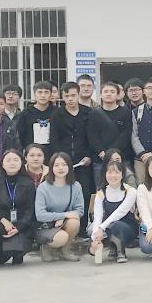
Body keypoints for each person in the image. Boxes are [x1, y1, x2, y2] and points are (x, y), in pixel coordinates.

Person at [49, 82, 98, 233]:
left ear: (78, 94)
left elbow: (92, 137)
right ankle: (63, 227)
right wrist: (60, 159)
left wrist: (89, 155)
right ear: (62, 97)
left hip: (83, 162)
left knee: (84, 193)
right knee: (64, 194)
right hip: (63, 163)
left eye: (73, 95)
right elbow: (54, 139)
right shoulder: (57, 114)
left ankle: (81, 228)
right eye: (67, 96)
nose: (70, 99)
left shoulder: (88, 113)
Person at [0, 149, 36, 271]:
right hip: (0, 221)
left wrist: (18, 227)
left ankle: (17, 253)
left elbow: (30, 210)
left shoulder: (28, 183)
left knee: (17, 247)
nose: (12, 163)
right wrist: (2, 220)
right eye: (8, 160)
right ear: (2, 164)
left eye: (15, 160)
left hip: (21, 223)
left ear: (22, 163)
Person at [34, 153, 85, 263]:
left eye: (64, 164)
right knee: (61, 237)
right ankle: (46, 247)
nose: (60, 168)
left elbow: (79, 210)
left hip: (63, 223)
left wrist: (63, 218)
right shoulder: (43, 188)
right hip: (45, 226)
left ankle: (65, 250)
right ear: (51, 168)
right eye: (56, 165)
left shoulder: (75, 186)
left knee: (74, 222)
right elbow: (40, 215)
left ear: (69, 167)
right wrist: (62, 215)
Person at [89, 160, 138, 265]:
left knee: (116, 225)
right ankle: (111, 246)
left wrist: (101, 228)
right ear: (105, 174)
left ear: (122, 174)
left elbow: (120, 212)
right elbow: (98, 216)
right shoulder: (101, 193)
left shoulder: (131, 191)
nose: (113, 175)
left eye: (117, 172)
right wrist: (95, 237)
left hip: (128, 229)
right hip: (108, 227)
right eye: (110, 172)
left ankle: (121, 252)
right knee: (91, 231)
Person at [16, 80, 56, 159]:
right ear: (34, 94)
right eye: (40, 92)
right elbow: (21, 134)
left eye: (46, 92)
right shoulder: (26, 113)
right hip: (32, 155)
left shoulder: (57, 112)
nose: (43, 95)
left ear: (51, 94)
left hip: (53, 154)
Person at [97, 82, 133, 164]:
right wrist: (100, 151)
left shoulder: (126, 112)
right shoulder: (94, 113)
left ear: (117, 95)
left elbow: (126, 133)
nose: (109, 94)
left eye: (112, 92)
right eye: (106, 91)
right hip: (100, 158)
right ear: (100, 95)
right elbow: (92, 135)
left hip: (121, 157)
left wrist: (112, 152)